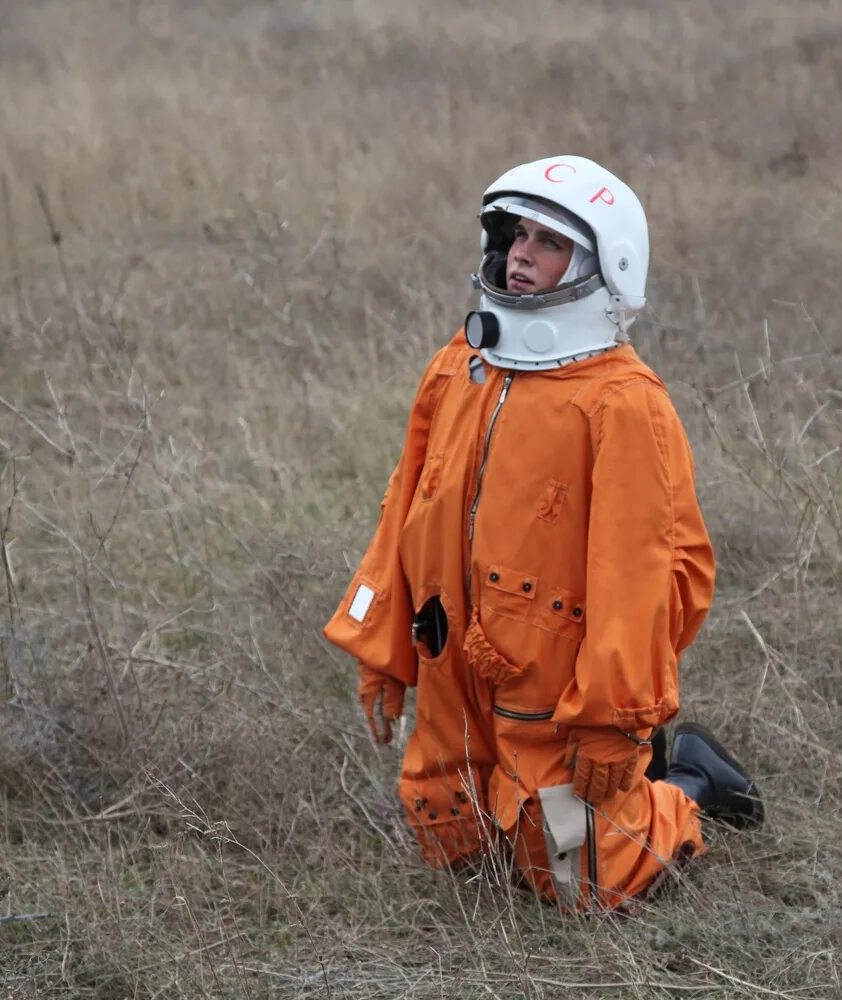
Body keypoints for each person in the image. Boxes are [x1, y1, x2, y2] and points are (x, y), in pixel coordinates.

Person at [324, 155, 762, 911]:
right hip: (450, 658)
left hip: (553, 681)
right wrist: (384, 647)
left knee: (578, 876)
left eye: (548, 243)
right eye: (515, 236)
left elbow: (645, 575)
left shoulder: (621, 403)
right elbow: (405, 511)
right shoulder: (458, 368)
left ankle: (686, 781)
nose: (521, 255)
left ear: (603, 266)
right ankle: (578, 789)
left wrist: (614, 719)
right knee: (452, 828)